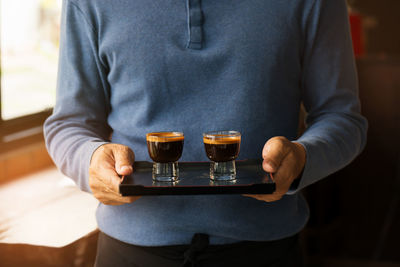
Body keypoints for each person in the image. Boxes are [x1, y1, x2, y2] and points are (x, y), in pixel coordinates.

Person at [44, 0, 368, 266]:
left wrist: (302, 158)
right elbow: (69, 123)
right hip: (128, 251)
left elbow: (342, 118)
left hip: (266, 250)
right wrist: (89, 160)